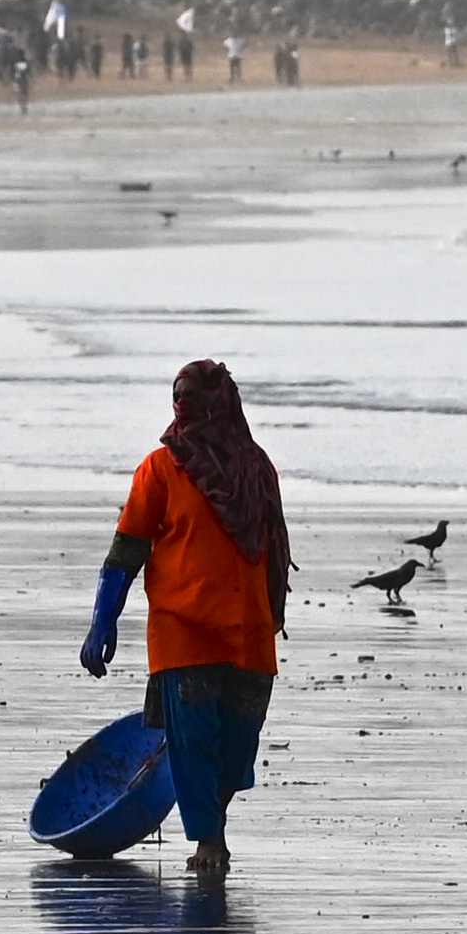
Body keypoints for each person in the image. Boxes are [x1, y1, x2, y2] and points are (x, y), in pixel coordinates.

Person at [81, 358, 288, 879]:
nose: (182, 403)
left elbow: (275, 549)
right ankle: (209, 839)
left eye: (191, 396)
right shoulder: (160, 469)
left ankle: (211, 821)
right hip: (184, 632)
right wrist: (102, 623)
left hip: (249, 633)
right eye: (178, 395)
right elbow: (126, 549)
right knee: (193, 740)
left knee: (238, 746)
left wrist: (273, 612)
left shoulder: (256, 470)